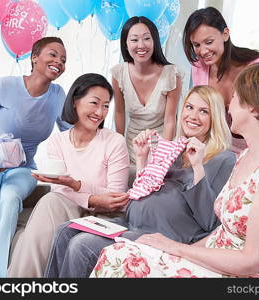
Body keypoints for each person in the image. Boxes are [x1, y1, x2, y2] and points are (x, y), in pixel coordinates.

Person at [91, 63, 259, 278]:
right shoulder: (247, 158)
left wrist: (176, 248)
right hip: (215, 257)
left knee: (119, 259)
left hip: (242, 275)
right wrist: (173, 249)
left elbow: (253, 262)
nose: (230, 105)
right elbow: (222, 233)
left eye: (237, 98)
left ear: (254, 108)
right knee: (120, 253)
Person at [44, 85, 236, 278]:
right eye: (189, 107)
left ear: (215, 118)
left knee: (82, 245)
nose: (193, 116)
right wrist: (142, 159)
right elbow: (143, 194)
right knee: (66, 230)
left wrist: (197, 167)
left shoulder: (224, 158)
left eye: (204, 111)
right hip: (132, 224)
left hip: (165, 236)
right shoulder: (174, 150)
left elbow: (210, 221)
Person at [0, 37, 69, 277]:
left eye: (63, 60)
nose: (58, 62)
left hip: (22, 169)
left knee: (9, 199)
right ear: (34, 57)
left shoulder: (58, 95)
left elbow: (69, 133)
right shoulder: (2, 87)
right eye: (52, 55)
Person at [7, 73, 130, 277]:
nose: (100, 112)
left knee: (54, 200)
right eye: (94, 103)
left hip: (105, 216)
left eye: (106, 106)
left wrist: (77, 185)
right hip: (67, 207)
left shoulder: (114, 142)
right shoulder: (58, 142)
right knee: (51, 200)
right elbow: (59, 189)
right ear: (75, 102)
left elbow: (115, 198)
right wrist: (90, 196)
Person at [183, 7, 259, 155]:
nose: (203, 51)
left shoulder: (257, 66)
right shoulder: (199, 67)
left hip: (254, 151)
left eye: (208, 42)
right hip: (216, 151)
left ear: (225, 34)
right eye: (196, 45)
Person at [112, 16, 183, 165]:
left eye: (146, 38)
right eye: (134, 40)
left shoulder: (171, 75)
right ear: (125, 43)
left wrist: (163, 158)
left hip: (161, 147)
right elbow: (119, 112)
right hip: (131, 147)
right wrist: (117, 150)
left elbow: (170, 120)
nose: (141, 45)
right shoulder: (119, 73)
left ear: (155, 42)